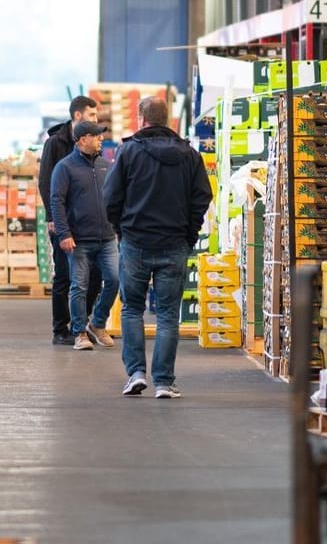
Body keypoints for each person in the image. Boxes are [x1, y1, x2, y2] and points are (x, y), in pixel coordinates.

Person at [104, 96, 211, 399]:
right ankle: (164, 382)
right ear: (168, 120)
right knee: (166, 315)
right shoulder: (190, 155)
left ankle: (136, 373)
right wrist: (189, 234)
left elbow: (110, 197)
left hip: (136, 242)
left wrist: (121, 230)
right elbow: (202, 197)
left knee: (132, 310)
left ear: (141, 119)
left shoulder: (128, 153)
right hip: (174, 244)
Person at [49, 121, 119, 352]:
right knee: (79, 285)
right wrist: (64, 233)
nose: (101, 139)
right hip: (78, 239)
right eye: (96, 135)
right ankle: (79, 332)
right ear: (82, 140)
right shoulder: (64, 167)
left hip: (107, 237)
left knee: (115, 279)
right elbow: (56, 202)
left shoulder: (105, 165)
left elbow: (114, 197)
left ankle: (97, 323)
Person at [38, 95, 102, 347]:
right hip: (63, 222)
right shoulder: (56, 143)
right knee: (64, 276)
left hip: (89, 224)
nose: (97, 121)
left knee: (95, 275)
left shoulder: (93, 144)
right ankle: (60, 329)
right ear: (78, 116)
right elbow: (45, 182)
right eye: (93, 115)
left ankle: (82, 325)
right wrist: (52, 218)